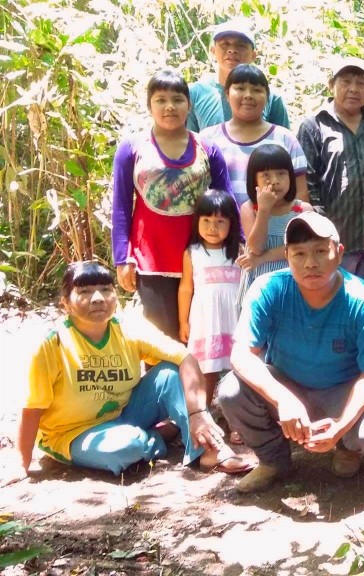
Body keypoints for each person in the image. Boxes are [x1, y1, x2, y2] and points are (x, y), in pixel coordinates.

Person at [2, 262, 249, 485]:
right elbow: (32, 407)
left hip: (124, 413)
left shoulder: (128, 327)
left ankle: (207, 450)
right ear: (65, 302)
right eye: (85, 291)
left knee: (170, 373)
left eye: (105, 290)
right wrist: (22, 464)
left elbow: (185, 357)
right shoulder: (53, 344)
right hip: (72, 432)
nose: (98, 298)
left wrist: (198, 413)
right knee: (128, 446)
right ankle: (159, 436)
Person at [219, 212, 364, 493]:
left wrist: (341, 425)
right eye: (299, 253)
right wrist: (284, 400)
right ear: (287, 256)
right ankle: (273, 460)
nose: (310, 263)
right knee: (230, 391)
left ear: (338, 253)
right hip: (287, 382)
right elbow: (241, 354)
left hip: (341, 388)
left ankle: (347, 447)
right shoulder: (268, 288)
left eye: (319, 251)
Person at [111, 69, 231, 339]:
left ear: (189, 105)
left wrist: (238, 242)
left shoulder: (208, 148)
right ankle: (161, 382)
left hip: (202, 255)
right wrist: (122, 258)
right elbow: (120, 206)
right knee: (160, 338)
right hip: (151, 258)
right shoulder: (131, 147)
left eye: (177, 99)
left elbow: (227, 201)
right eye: (160, 99)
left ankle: (203, 383)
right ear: (149, 105)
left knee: (199, 335)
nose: (169, 106)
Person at [297, 56, 364, 288]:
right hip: (334, 237)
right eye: (346, 81)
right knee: (334, 300)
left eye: (361, 83)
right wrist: (318, 228)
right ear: (332, 85)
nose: (353, 89)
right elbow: (305, 181)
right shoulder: (314, 125)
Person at [199, 64, 308, 208]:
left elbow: (301, 193)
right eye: (240, 88)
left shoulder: (285, 139)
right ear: (227, 94)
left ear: (267, 97)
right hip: (222, 229)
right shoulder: (208, 139)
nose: (248, 95)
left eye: (257, 90)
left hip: (275, 228)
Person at [177, 189, 244, 396]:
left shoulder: (240, 252)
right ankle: (202, 413)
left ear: (231, 223)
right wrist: (183, 322)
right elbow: (186, 288)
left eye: (220, 222)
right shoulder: (192, 253)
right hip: (205, 320)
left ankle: (235, 417)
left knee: (240, 367)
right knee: (207, 368)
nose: (212, 228)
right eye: (206, 221)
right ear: (197, 221)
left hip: (235, 318)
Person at [236, 144, 314, 301]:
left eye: (281, 174)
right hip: (259, 286)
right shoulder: (249, 209)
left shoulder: (302, 210)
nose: (275, 181)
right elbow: (256, 248)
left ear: (290, 176)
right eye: (265, 175)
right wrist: (264, 210)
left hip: (292, 285)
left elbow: (300, 248)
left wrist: (263, 258)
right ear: (254, 180)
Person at [187, 19, 290, 132]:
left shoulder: (271, 97)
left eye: (241, 45)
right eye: (225, 44)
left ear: (253, 55)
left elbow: (284, 143)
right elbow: (191, 143)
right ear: (213, 50)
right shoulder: (195, 93)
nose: (232, 50)